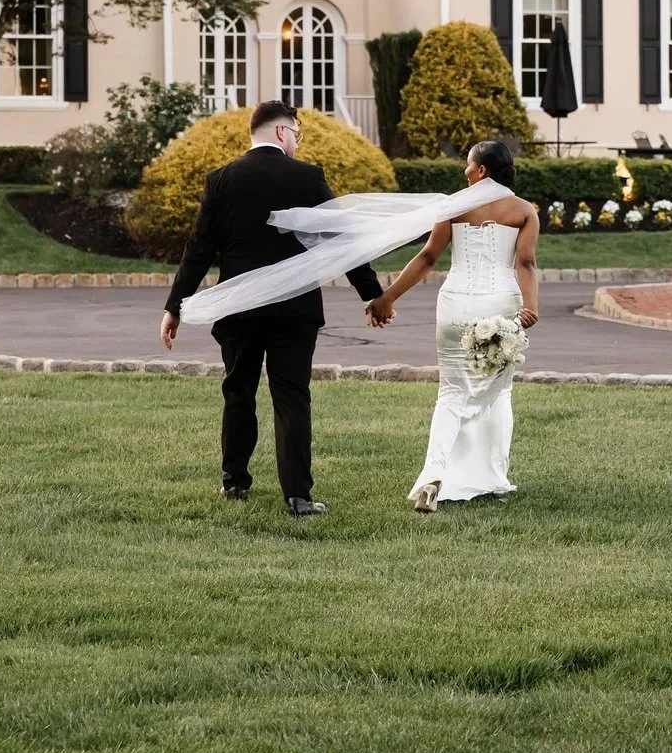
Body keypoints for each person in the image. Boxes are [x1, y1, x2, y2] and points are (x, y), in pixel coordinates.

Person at [160, 100, 387, 518]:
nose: (298, 142)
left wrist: (175, 306)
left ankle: (234, 482)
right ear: (282, 132)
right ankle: (297, 495)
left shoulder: (221, 180)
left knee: (238, 390)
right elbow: (343, 241)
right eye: (297, 134)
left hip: (238, 309)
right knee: (292, 397)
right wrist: (371, 294)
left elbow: (199, 250)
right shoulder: (307, 177)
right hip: (293, 309)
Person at [367, 139, 540, 514]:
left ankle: (434, 475)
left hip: (457, 302)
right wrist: (531, 308)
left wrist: (387, 298)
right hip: (502, 303)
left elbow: (429, 256)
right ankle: (492, 476)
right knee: (497, 394)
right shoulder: (524, 210)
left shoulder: (455, 207)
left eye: (468, 165)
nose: (464, 171)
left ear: (481, 171)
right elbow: (525, 264)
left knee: (451, 393)